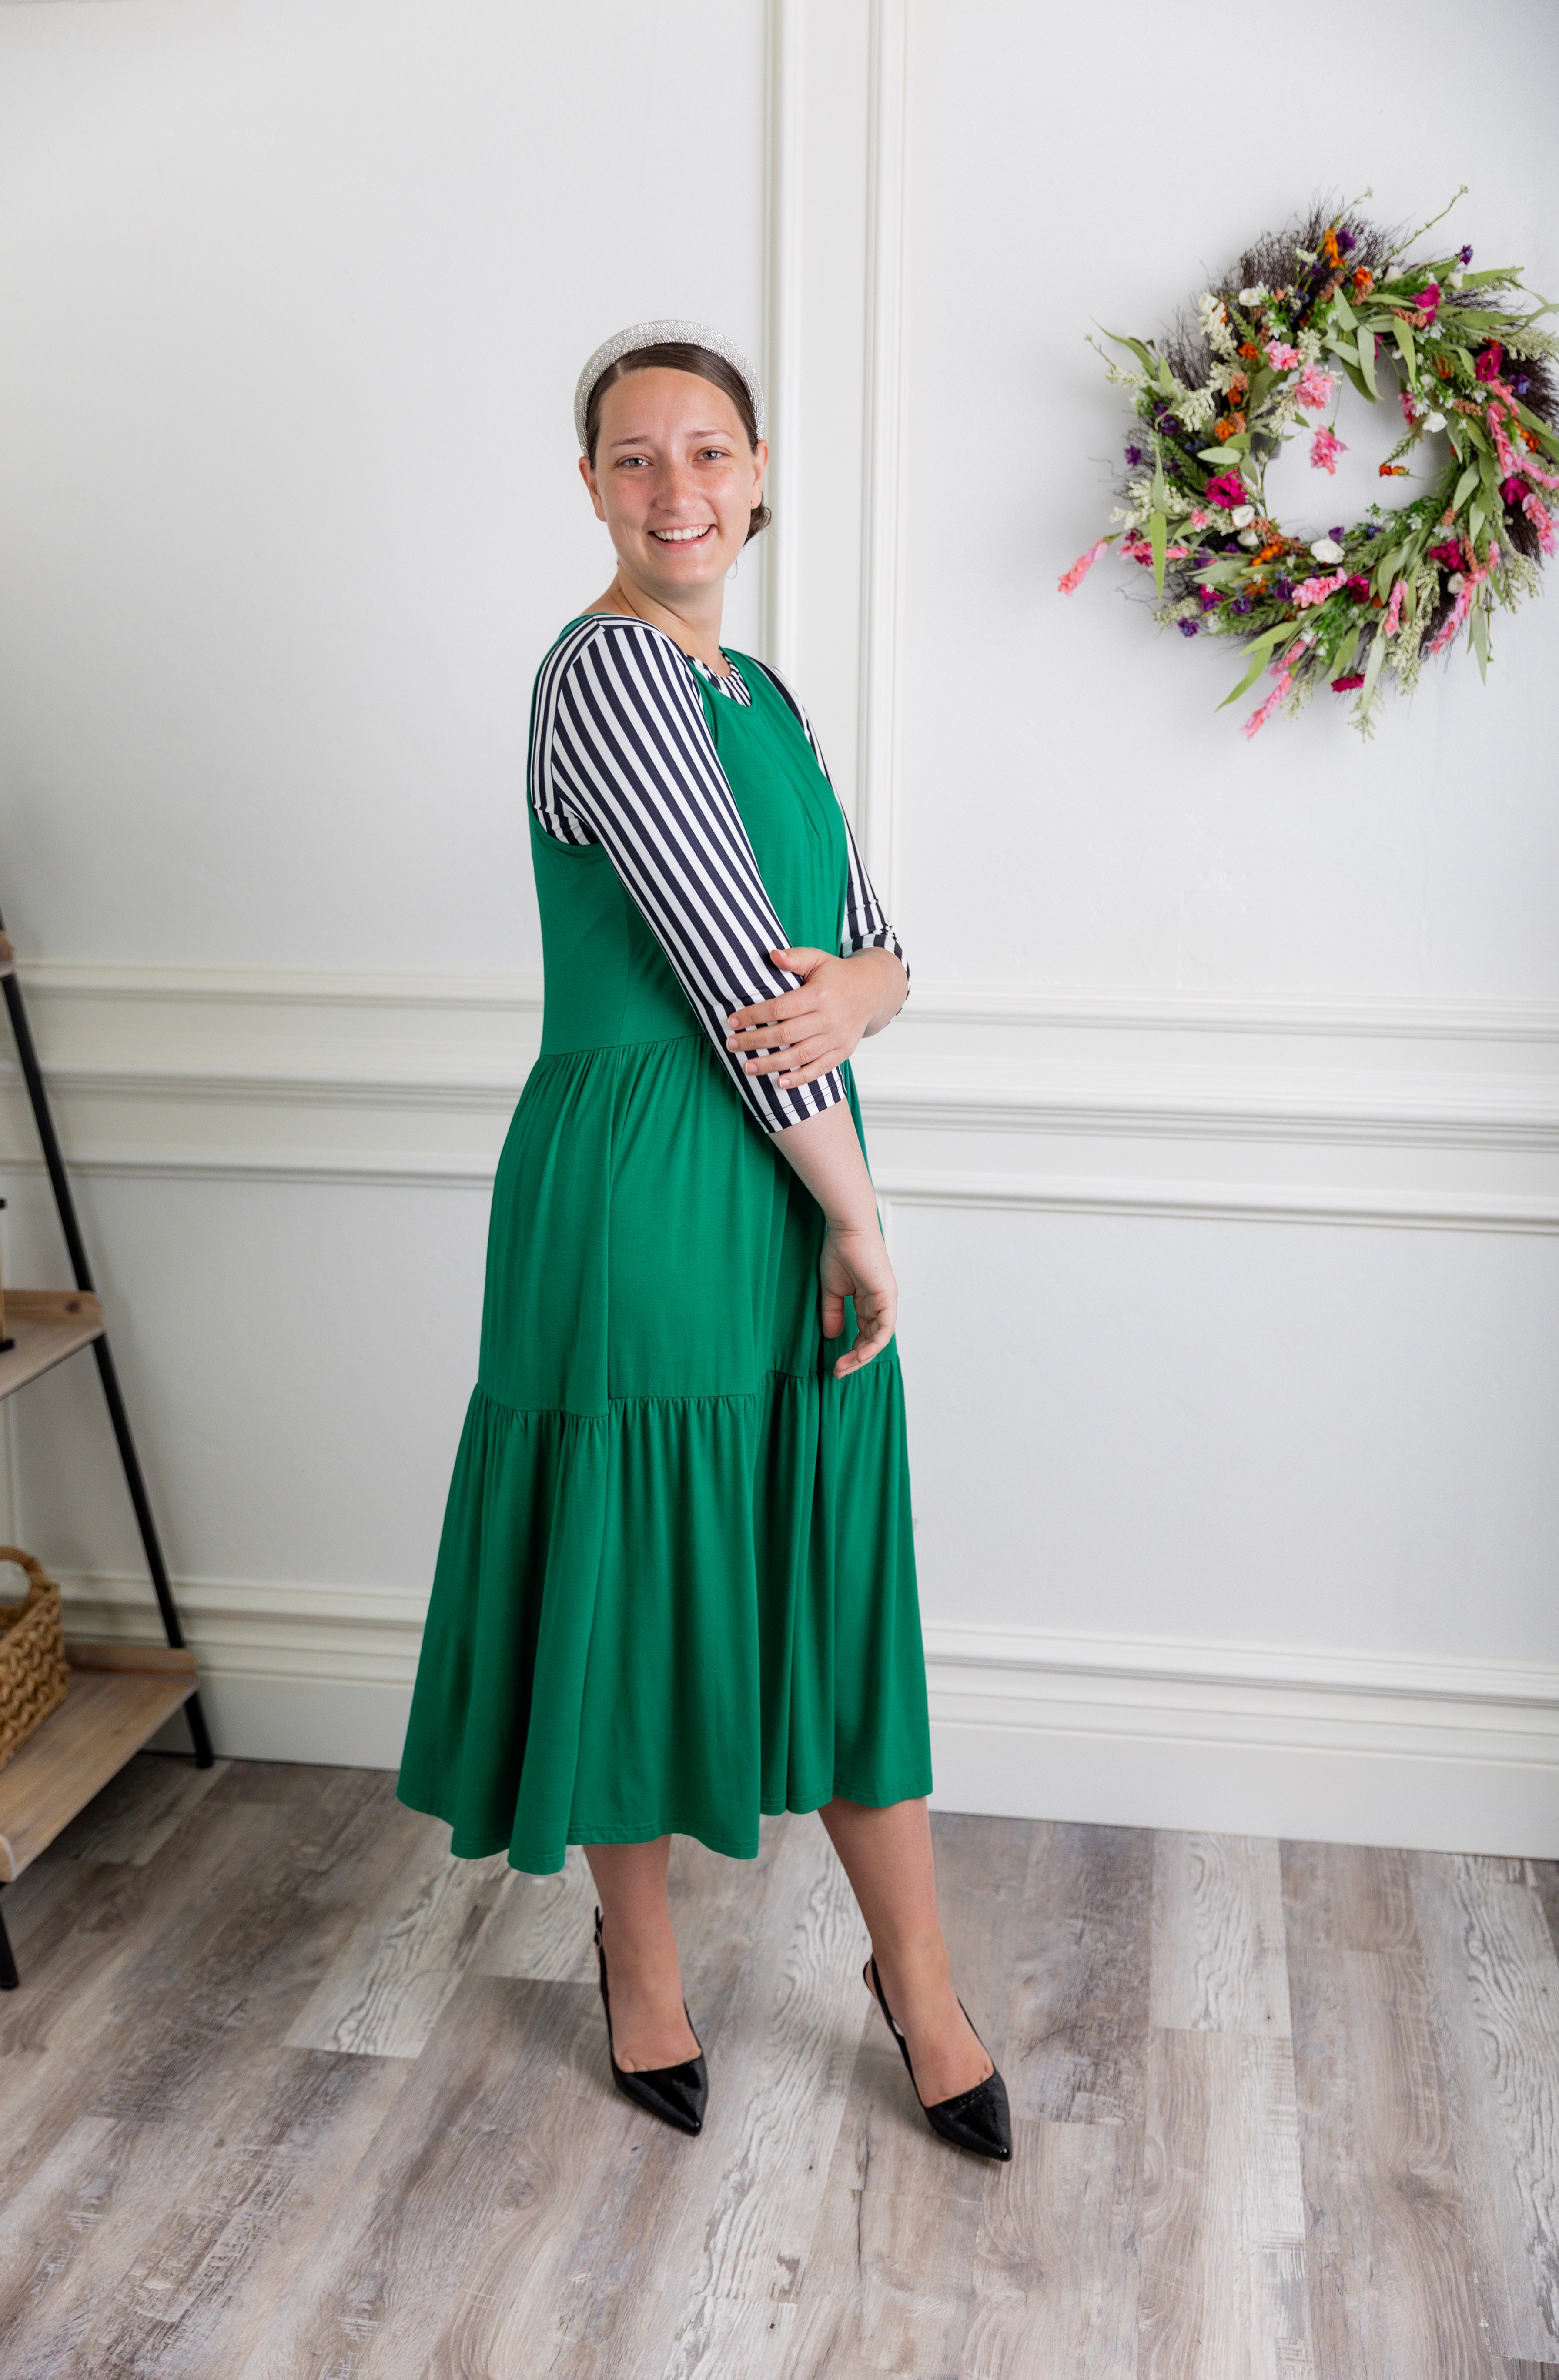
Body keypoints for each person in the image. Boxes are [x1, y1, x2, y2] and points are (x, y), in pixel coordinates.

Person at [397, 320, 1010, 2162]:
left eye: (710, 451)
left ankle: (915, 1979)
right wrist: (860, 1209)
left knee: (825, 1572)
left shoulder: (762, 694)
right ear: (588, 485)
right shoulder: (604, 679)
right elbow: (760, 988)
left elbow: (872, 953)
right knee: (641, 1575)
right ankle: (640, 1965)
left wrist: (877, 990)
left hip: (791, 1172)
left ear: (757, 477)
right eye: (636, 456)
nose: (679, 487)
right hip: (657, 1186)